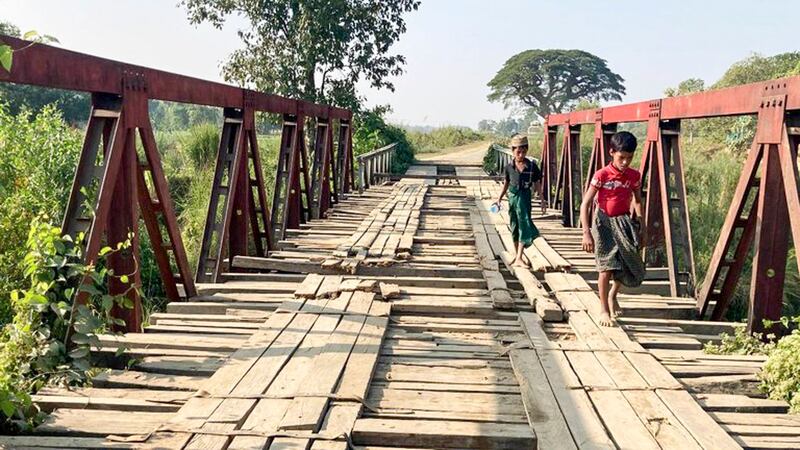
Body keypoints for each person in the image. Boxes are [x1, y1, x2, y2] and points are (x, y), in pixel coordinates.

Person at [580, 131, 646, 327]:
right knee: (606, 267)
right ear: (611, 153)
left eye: (629, 158)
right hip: (603, 223)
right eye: (621, 157)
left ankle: (613, 294)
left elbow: (638, 200)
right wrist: (586, 233)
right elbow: (585, 203)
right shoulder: (602, 175)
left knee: (626, 262)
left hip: (624, 222)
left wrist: (642, 227)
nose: (625, 162)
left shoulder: (634, 176)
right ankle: (604, 309)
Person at [494, 134, 547, 268]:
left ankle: (518, 257)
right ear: (513, 151)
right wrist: (499, 199)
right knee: (514, 225)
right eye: (518, 151)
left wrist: (542, 199)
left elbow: (537, 183)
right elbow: (506, 183)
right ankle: (518, 256)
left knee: (524, 223)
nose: (521, 154)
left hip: (524, 197)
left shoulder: (532, 166)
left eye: (524, 151)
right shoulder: (509, 167)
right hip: (512, 197)